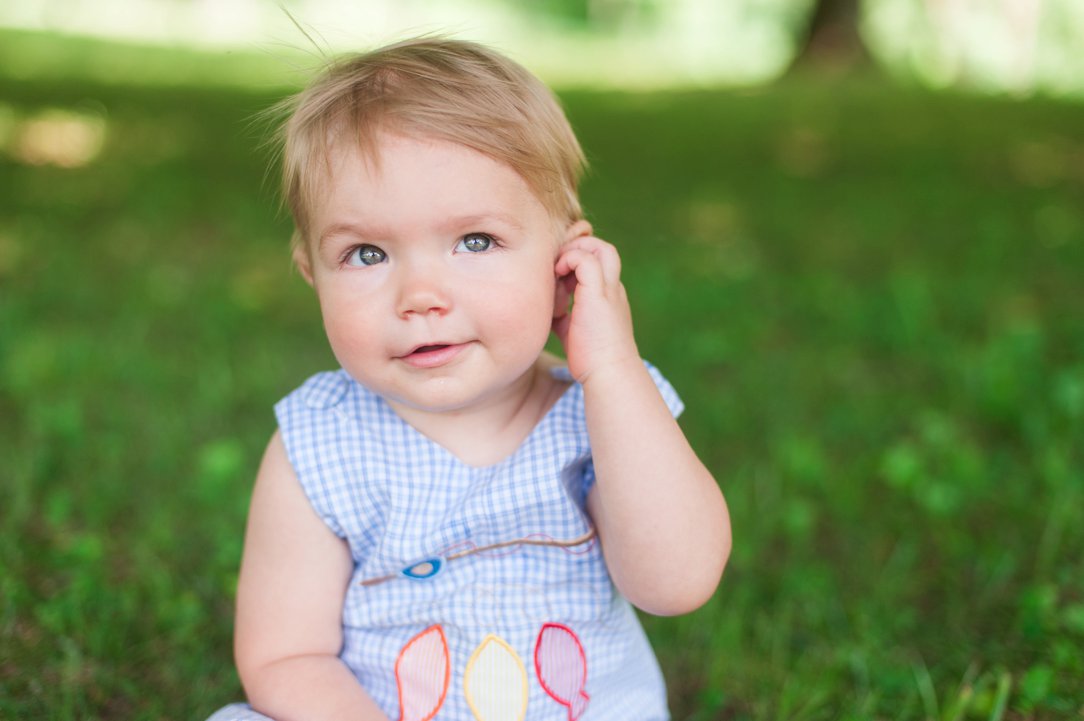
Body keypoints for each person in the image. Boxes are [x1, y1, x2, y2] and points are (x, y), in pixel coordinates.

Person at [207, 36, 730, 721]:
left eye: (474, 241)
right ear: (313, 273)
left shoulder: (605, 411)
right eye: (366, 253)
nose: (420, 294)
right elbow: (285, 655)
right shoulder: (322, 442)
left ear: (565, 261)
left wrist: (609, 370)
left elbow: (677, 581)